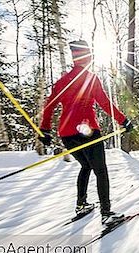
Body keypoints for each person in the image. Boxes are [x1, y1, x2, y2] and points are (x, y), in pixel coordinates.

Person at [38, 40, 133, 226]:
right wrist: (124, 121)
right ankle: (106, 213)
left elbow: (49, 105)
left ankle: (81, 204)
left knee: (86, 166)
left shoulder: (62, 82)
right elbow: (105, 104)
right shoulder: (90, 78)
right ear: (87, 56)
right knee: (100, 170)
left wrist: (45, 129)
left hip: (66, 134)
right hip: (87, 131)